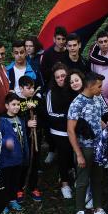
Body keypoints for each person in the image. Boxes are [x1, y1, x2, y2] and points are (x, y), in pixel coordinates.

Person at [67, 72, 108, 214]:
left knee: (98, 178)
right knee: (83, 180)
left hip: (98, 147)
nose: (101, 89)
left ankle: (98, 209)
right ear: (90, 86)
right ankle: (80, 211)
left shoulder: (98, 99)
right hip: (84, 147)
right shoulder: (77, 103)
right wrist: (79, 154)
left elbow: (99, 119)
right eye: (99, 86)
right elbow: (70, 130)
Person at [46, 63, 75, 199]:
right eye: (58, 77)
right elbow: (50, 113)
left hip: (75, 131)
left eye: (63, 76)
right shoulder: (51, 93)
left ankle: (75, 176)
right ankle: (64, 183)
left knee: (75, 155)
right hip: (59, 131)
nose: (61, 79)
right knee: (63, 156)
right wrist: (68, 117)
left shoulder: (74, 89)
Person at [0, 93, 29, 214]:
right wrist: (6, 142)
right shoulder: (1, 121)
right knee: (4, 182)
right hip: (6, 160)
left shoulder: (20, 118)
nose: (16, 107)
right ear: (7, 106)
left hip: (18, 158)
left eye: (18, 104)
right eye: (13, 104)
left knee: (15, 181)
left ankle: (12, 199)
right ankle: (2, 203)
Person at [16, 76, 45, 202]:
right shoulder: (17, 102)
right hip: (22, 140)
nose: (31, 90)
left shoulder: (36, 100)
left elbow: (44, 113)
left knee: (35, 162)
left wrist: (35, 107)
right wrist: (26, 123)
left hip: (36, 139)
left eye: (33, 87)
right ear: (21, 88)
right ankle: (19, 189)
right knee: (22, 163)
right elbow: (14, 116)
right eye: (28, 88)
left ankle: (34, 187)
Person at [88, 31, 108, 100]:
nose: (103, 44)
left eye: (105, 41)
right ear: (97, 43)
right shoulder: (94, 59)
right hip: (96, 97)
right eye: (101, 42)